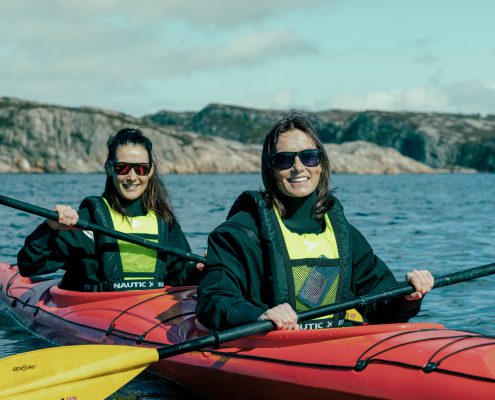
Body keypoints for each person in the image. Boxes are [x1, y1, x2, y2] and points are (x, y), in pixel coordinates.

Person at [196, 112, 434, 331]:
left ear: (321, 164)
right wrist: (259, 315)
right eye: (284, 160)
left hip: (335, 346)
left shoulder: (343, 235)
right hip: (270, 348)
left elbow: (382, 307)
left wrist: (407, 296)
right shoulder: (238, 233)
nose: (298, 168)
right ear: (270, 168)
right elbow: (213, 301)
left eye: (309, 157)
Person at [18, 128, 202, 291]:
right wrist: (50, 228)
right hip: (94, 313)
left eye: (140, 168)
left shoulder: (165, 223)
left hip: (150, 311)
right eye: (122, 168)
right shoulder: (85, 221)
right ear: (109, 168)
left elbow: (178, 276)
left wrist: (198, 270)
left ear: (150, 171)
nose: (132, 177)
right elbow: (30, 267)